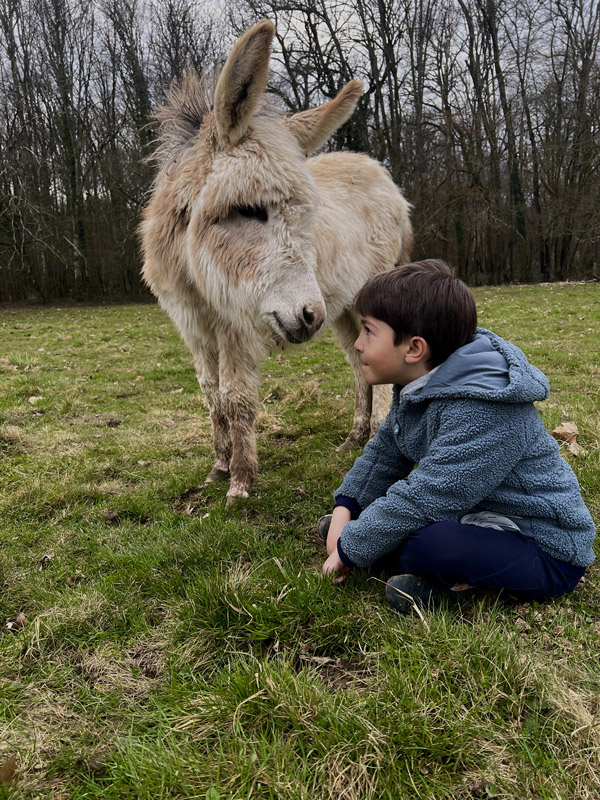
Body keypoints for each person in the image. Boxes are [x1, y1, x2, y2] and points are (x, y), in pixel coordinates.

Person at [321, 259, 596, 613]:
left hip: (541, 547)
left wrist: (348, 547)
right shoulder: (418, 386)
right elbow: (385, 454)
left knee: (431, 545)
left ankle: (446, 588)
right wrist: (347, 507)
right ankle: (379, 541)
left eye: (368, 331)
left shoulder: (485, 408)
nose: (357, 344)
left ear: (414, 349)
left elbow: (426, 496)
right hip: (475, 516)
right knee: (396, 525)